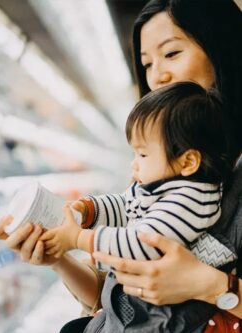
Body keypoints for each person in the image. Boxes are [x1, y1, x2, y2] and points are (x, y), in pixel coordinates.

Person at [0, 0, 242, 331]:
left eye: (171, 54)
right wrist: (60, 259)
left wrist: (213, 287)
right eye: (147, 64)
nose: (159, 76)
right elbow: (118, 302)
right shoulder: (165, 166)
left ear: (222, 51)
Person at [41, 82, 232, 331]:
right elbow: (126, 205)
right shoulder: (165, 187)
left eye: (142, 155)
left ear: (188, 161)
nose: (135, 165)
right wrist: (89, 211)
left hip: (161, 321)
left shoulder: (191, 201)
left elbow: (141, 245)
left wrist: (79, 238)